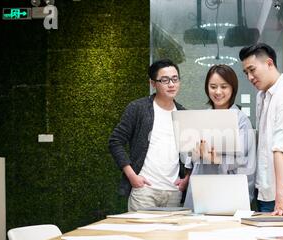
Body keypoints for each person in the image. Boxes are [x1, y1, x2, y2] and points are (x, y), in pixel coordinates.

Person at [108, 59, 190, 211]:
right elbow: (115, 141)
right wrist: (132, 176)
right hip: (144, 191)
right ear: (153, 83)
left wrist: (186, 179)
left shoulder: (183, 113)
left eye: (175, 79)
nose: (171, 84)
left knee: (171, 235)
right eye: (164, 80)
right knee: (141, 234)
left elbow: (191, 153)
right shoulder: (138, 108)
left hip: (174, 191)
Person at [239, 43, 283, 216]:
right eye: (246, 73)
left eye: (252, 70)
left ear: (269, 63)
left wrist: (281, 196)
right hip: (265, 187)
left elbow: (281, 148)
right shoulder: (262, 95)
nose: (250, 77)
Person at [184, 64, 256, 210]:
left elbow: (244, 158)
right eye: (213, 86)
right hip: (201, 188)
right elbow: (186, 154)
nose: (218, 92)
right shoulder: (200, 118)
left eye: (224, 87)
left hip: (229, 189)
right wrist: (193, 155)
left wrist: (218, 160)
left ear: (232, 89)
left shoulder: (241, 120)